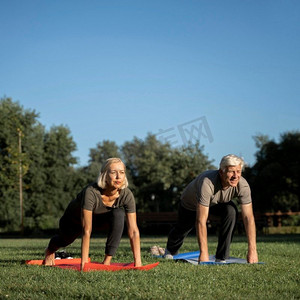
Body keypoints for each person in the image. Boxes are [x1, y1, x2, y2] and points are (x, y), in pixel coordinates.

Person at [44, 158, 142, 270]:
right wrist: (84, 265)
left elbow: (133, 231)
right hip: (74, 221)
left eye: (122, 172)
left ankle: (107, 261)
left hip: (100, 221)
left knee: (118, 214)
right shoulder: (91, 192)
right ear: (104, 175)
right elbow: (86, 229)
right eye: (113, 172)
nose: (118, 177)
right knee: (65, 240)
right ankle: (50, 250)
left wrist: (138, 264)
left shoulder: (126, 194)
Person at [164, 154, 258, 263]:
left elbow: (248, 218)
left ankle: (222, 257)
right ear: (221, 172)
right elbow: (201, 221)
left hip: (216, 203)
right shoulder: (207, 183)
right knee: (183, 228)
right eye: (231, 171)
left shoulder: (243, 185)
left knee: (231, 210)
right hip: (191, 204)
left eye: (238, 171)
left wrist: (253, 250)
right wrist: (204, 253)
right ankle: (170, 250)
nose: (235, 176)